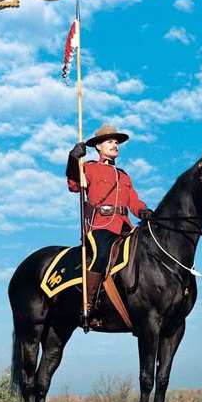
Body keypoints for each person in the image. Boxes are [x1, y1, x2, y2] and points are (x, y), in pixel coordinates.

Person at [66, 124, 153, 322]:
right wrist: (73, 159)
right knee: (102, 254)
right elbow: (73, 185)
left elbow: (133, 201)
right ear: (98, 146)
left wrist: (143, 211)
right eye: (110, 142)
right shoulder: (89, 168)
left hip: (124, 227)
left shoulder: (124, 175)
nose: (115, 145)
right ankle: (87, 305)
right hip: (100, 227)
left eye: (116, 142)